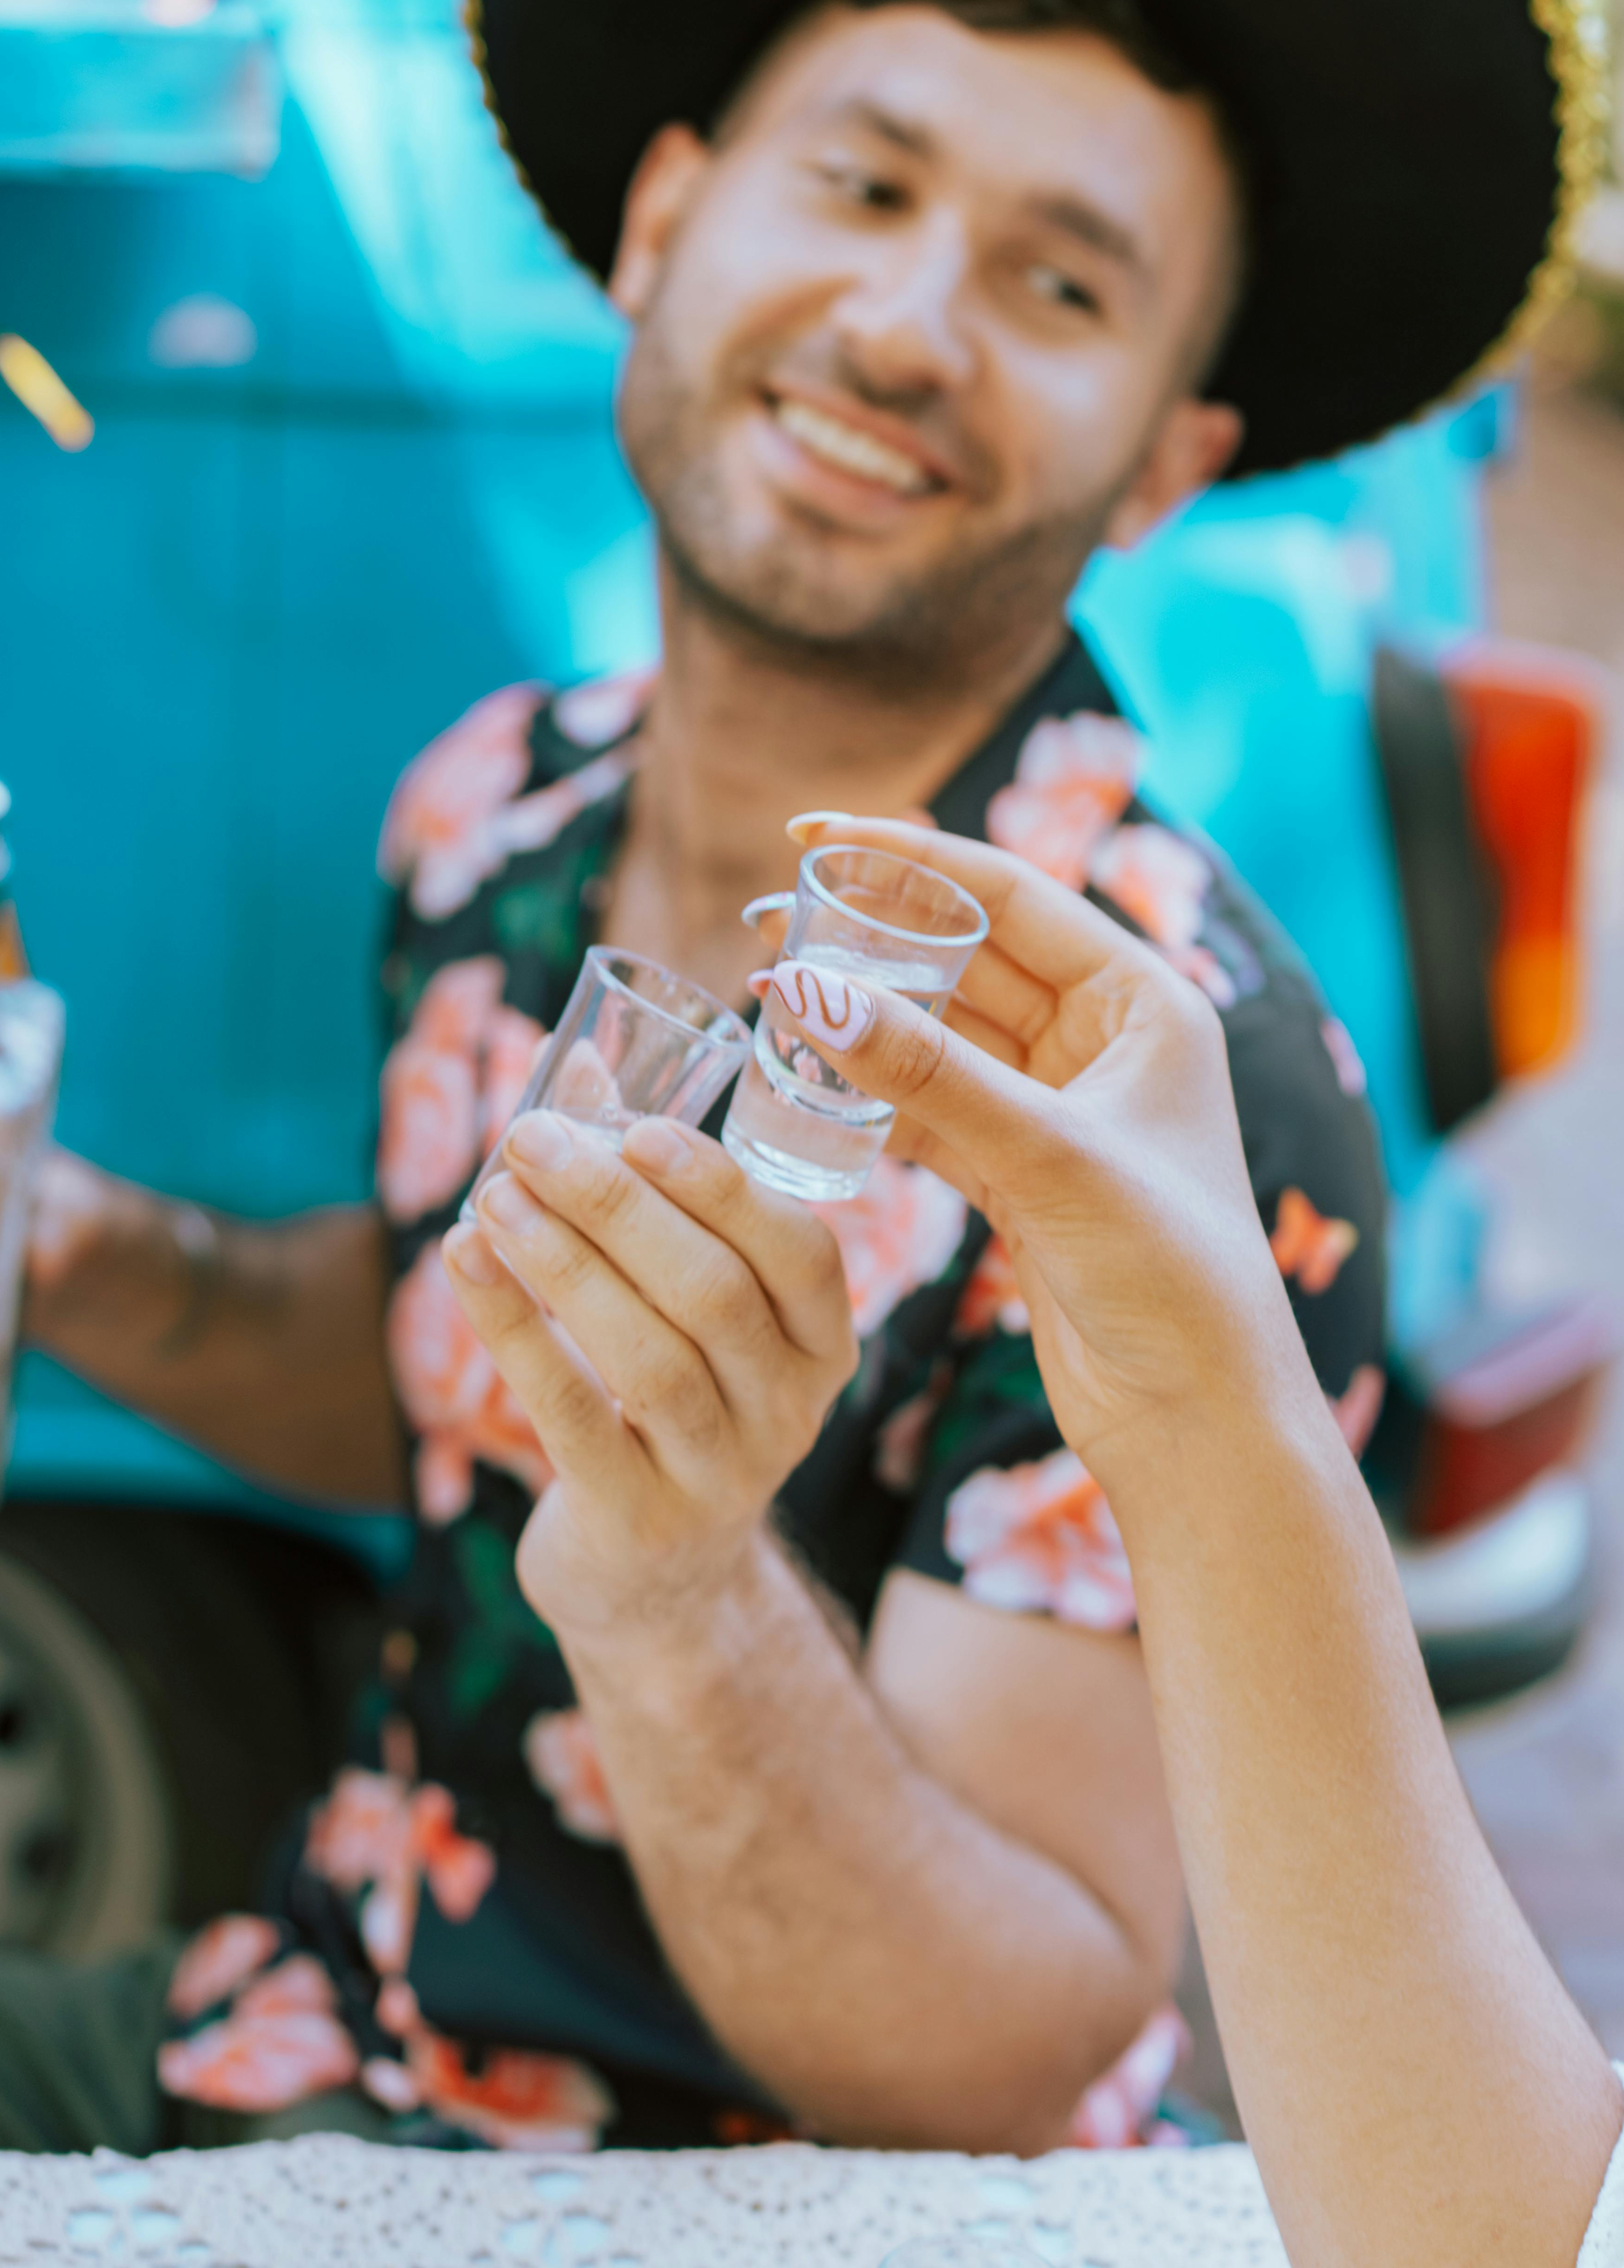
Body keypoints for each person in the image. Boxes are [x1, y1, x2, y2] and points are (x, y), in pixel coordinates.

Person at [0, 0, 1589, 2157]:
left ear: (1166, 462)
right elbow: (440, 1341)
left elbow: (1016, 2039)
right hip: (304, 2031)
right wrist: (83, 1258)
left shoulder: (1156, 1084)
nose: (906, 320)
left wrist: (676, 1570)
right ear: (660, 223)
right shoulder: (492, 807)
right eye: (859, 183)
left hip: (745, 2194)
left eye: (1058, 284)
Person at [443, 818, 1624, 2268]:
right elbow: (1509, 2228)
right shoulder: (507, 796)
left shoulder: (1225, 1074)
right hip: (349, 1978)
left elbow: (1007, 2054)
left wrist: (1197, 1410)